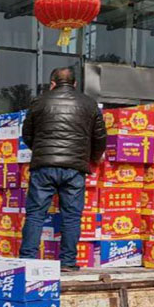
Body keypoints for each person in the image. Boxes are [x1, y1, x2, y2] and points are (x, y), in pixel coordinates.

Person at [18, 67, 106, 270]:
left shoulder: (39, 102)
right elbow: (100, 137)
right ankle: (67, 262)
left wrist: (41, 151)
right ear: (75, 84)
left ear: (52, 83)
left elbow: (27, 134)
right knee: (72, 216)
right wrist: (92, 158)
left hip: (44, 167)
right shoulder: (89, 103)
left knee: (35, 214)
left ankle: (28, 259)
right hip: (75, 168)